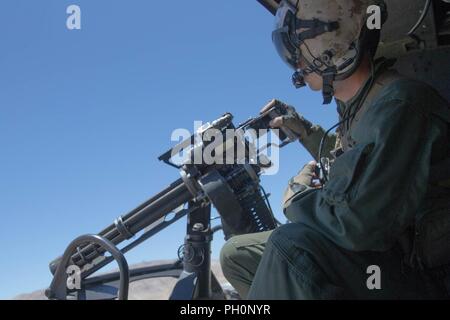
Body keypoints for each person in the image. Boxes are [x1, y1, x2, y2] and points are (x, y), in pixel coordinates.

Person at [220, 0, 450, 299]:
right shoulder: (361, 106)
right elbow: (356, 160)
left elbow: (359, 225)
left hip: (418, 271)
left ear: (328, 49)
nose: (297, 64)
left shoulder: (401, 104)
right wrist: (303, 130)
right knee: (236, 254)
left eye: (299, 51)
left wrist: (297, 197)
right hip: (386, 251)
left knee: (289, 244)